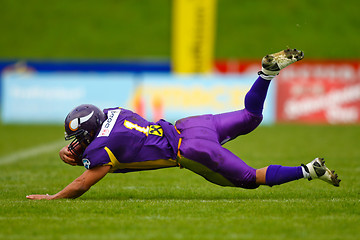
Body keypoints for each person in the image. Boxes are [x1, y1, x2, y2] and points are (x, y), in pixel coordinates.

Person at [26, 48, 340, 200]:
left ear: (91, 132)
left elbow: (83, 183)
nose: (76, 143)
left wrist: (54, 198)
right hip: (192, 125)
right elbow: (98, 136)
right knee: (251, 117)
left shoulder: (101, 146)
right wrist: (78, 150)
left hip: (188, 148)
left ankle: (308, 170)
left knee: (249, 179)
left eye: (79, 137)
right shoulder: (113, 112)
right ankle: (267, 74)